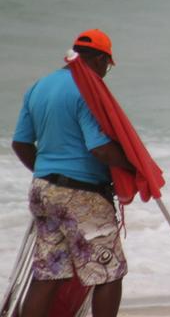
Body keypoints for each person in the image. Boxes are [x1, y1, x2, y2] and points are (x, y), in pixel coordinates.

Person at [11, 29, 135, 317]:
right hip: (82, 195)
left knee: (49, 274)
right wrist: (133, 164)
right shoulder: (87, 91)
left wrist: (50, 175)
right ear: (99, 59)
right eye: (107, 65)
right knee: (109, 271)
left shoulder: (39, 87)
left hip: (43, 190)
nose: (105, 72)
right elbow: (100, 149)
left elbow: (20, 143)